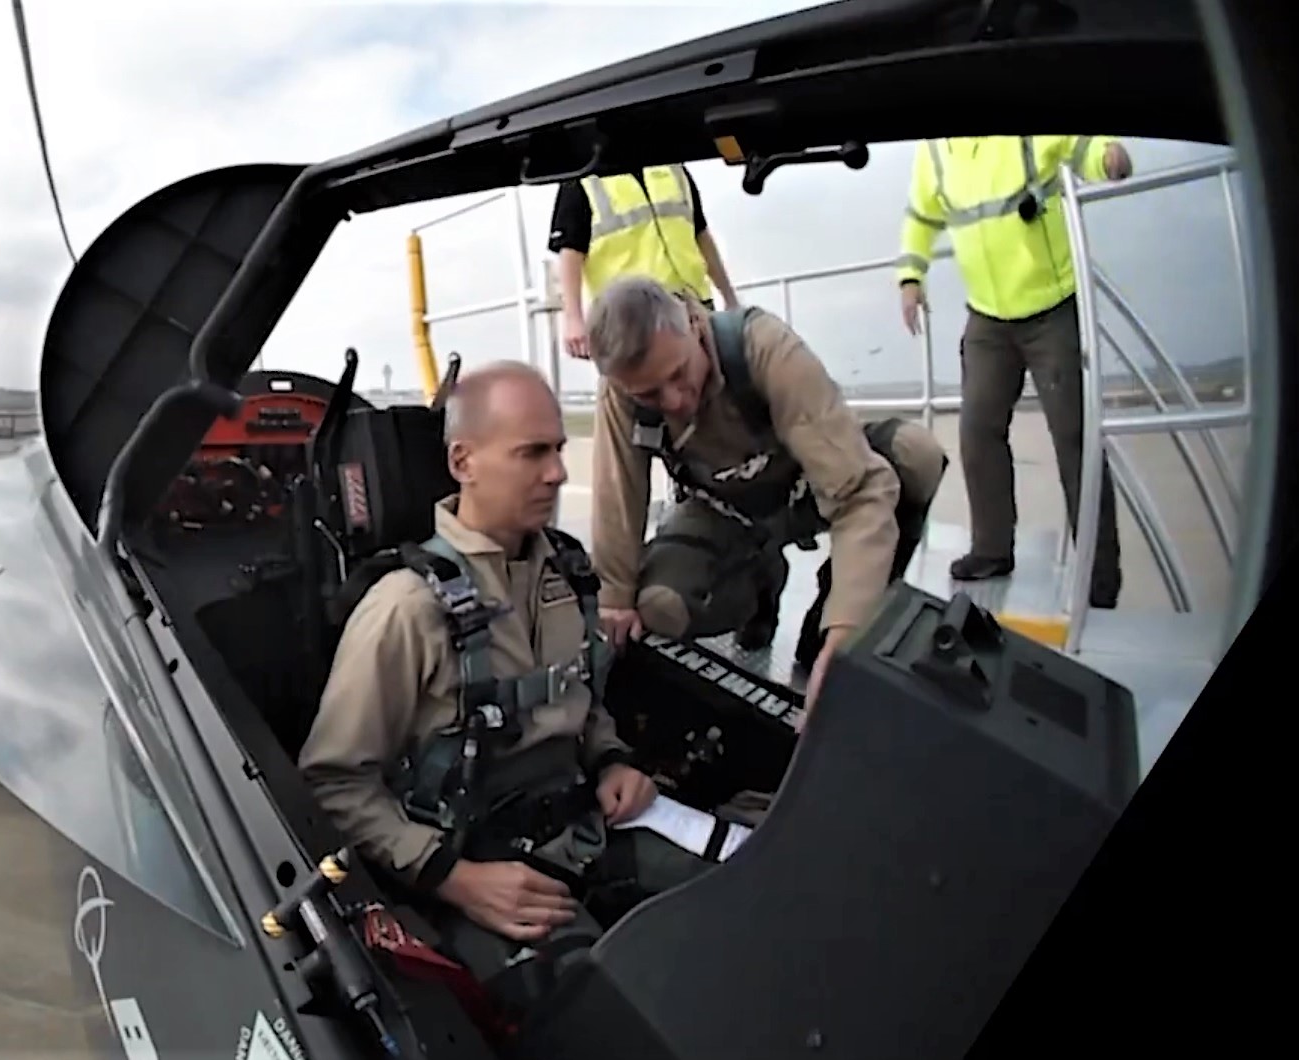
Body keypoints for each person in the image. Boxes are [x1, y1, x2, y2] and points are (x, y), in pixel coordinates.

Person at [297, 360, 748, 1016]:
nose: (558, 472)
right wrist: (451, 879)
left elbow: (582, 699)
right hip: (472, 865)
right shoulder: (406, 609)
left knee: (749, 900)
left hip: (584, 829)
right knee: (596, 1017)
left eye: (559, 450)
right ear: (463, 461)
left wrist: (611, 759)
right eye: (533, 452)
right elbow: (333, 782)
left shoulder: (568, 574)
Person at [583, 276, 949, 714]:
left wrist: (844, 636)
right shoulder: (622, 392)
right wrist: (613, 600)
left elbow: (858, 494)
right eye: (649, 394)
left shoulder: (763, 347)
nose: (674, 400)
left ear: (694, 326)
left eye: (679, 374)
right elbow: (616, 496)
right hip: (724, 510)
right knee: (659, 608)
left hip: (806, 488)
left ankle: (838, 613)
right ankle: (760, 585)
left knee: (916, 455)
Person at [897, 135, 1133, 608]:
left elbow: (1081, 147)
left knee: (1075, 439)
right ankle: (991, 550)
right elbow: (921, 216)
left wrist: (1108, 158)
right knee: (977, 431)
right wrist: (910, 276)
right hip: (987, 316)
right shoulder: (934, 149)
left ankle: (1100, 576)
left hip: (1051, 307)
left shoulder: (1021, 123)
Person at [549, 164, 740, 360]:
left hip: (694, 309)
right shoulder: (583, 177)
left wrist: (729, 297)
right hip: (630, 318)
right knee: (643, 378)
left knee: (713, 375)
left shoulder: (673, 167)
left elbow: (700, 234)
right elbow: (570, 252)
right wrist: (573, 319)